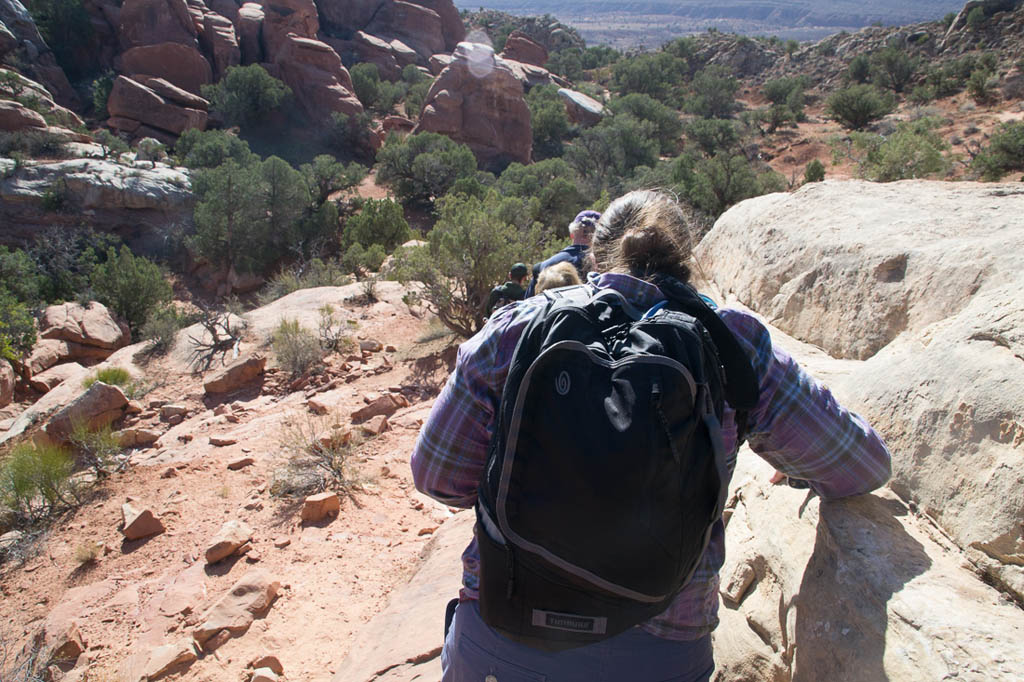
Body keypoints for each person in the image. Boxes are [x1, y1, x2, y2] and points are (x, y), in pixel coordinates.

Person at [411, 190, 891, 682]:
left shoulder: (519, 326)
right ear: (689, 256)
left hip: (506, 632)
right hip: (659, 656)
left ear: (595, 254)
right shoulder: (731, 339)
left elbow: (438, 477)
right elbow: (860, 466)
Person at [525, 209, 601, 296]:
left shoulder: (542, 267)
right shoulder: (603, 267)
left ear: (571, 234)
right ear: (599, 237)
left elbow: (527, 304)